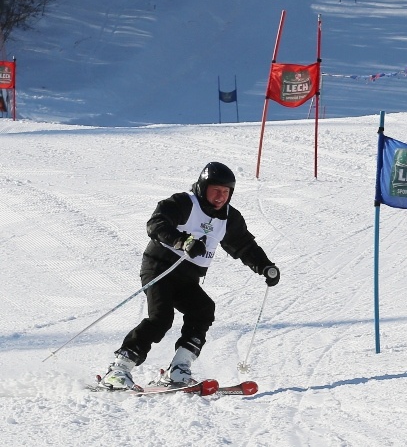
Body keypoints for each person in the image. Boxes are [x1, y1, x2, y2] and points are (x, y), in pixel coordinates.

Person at [98, 162, 280, 391]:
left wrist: (265, 266)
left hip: (187, 277)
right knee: (161, 318)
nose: (220, 196)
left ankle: (179, 368)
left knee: (203, 309)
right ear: (203, 187)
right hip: (160, 268)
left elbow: (244, 245)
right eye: (215, 190)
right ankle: (118, 369)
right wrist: (182, 241)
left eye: (226, 192)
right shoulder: (184, 203)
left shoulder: (228, 218)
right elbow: (156, 223)